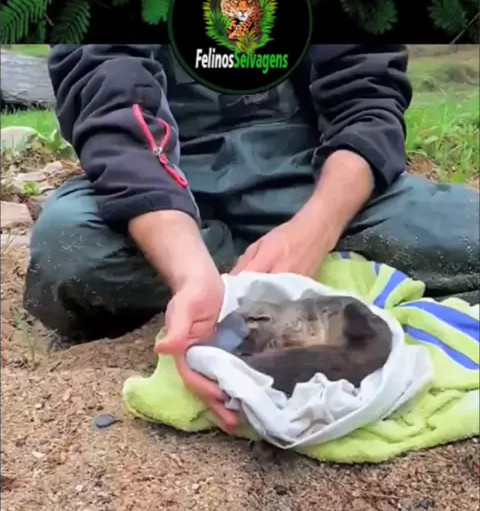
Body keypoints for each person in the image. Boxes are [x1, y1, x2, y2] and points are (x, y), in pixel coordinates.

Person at [23, 45, 479, 429]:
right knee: (71, 252)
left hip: (314, 180)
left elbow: (367, 104)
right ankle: (249, 279)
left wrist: (314, 229)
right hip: (162, 188)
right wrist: (189, 271)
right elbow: (113, 105)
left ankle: (248, 272)